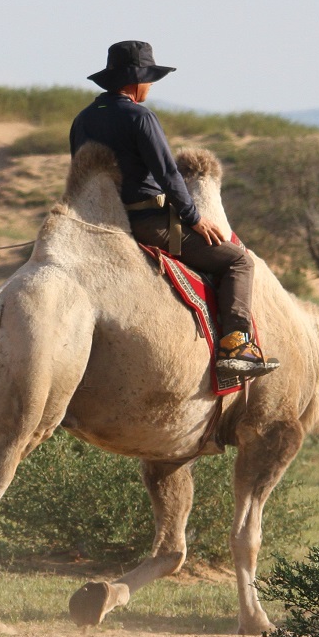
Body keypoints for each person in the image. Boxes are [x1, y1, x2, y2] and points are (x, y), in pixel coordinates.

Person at [68, 40, 280, 381]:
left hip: (98, 222)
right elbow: (168, 174)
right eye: (149, 79)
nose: (151, 87)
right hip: (146, 224)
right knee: (239, 261)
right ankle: (236, 347)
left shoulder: (82, 120)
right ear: (136, 81)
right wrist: (194, 218)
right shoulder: (140, 117)